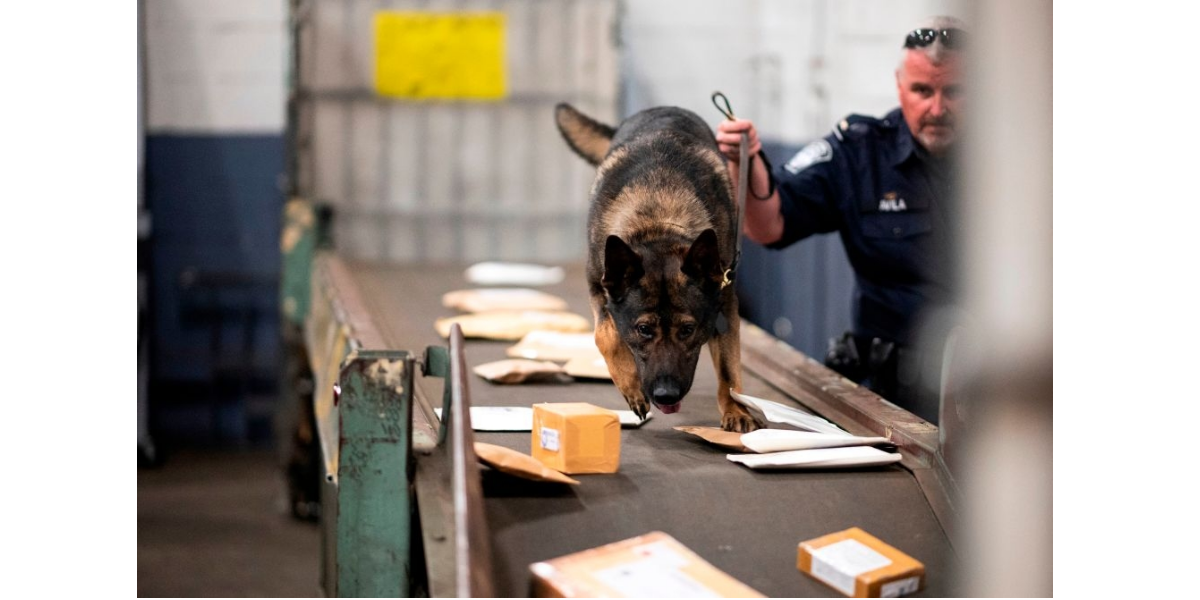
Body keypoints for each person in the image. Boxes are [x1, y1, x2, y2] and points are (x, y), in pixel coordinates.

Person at [715, 16, 965, 423]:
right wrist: (744, 160)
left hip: (997, 401)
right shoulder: (858, 153)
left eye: (954, 92)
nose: (937, 109)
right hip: (892, 403)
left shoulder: (1021, 158)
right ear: (900, 87)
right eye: (922, 91)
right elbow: (768, 224)